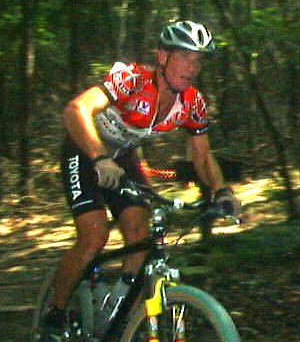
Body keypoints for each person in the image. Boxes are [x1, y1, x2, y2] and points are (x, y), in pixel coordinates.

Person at [41, 20, 242, 341]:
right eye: (184, 57)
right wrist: (99, 158)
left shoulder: (192, 102)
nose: (191, 68)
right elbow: (76, 110)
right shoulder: (134, 80)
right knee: (94, 237)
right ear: (162, 57)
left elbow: (202, 156)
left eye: (198, 61)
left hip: (122, 157)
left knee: (140, 232)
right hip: (85, 149)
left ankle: (119, 310)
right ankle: (56, 312)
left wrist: (221, 190)